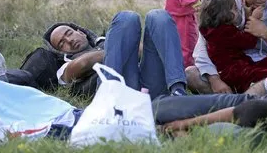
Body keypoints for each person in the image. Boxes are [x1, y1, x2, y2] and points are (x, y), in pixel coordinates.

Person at [46, 9, 188, 99]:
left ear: (81, 32)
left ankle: (178, 91)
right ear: (60, 51)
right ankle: (109, 98)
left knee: (158, 16)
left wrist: (117, 44)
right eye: (62, 43)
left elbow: (144, 51)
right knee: (125, 17)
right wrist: (116, 47)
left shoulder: (109, 39)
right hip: (121, 94)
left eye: (69, 33)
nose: (69, 40)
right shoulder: (64, 66)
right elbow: (82, 64)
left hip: (149, 86)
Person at [198, 0, 267, 92]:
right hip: (233, 70)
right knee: (262, 73)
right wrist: (254, 19)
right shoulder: (224, 32)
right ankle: (254, 89)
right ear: (224, 13)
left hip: (228, 68)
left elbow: (238, 38)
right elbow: (248, 41)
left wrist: (247, 15)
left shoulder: (212, 30)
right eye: (235, 9)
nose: (238, 12)